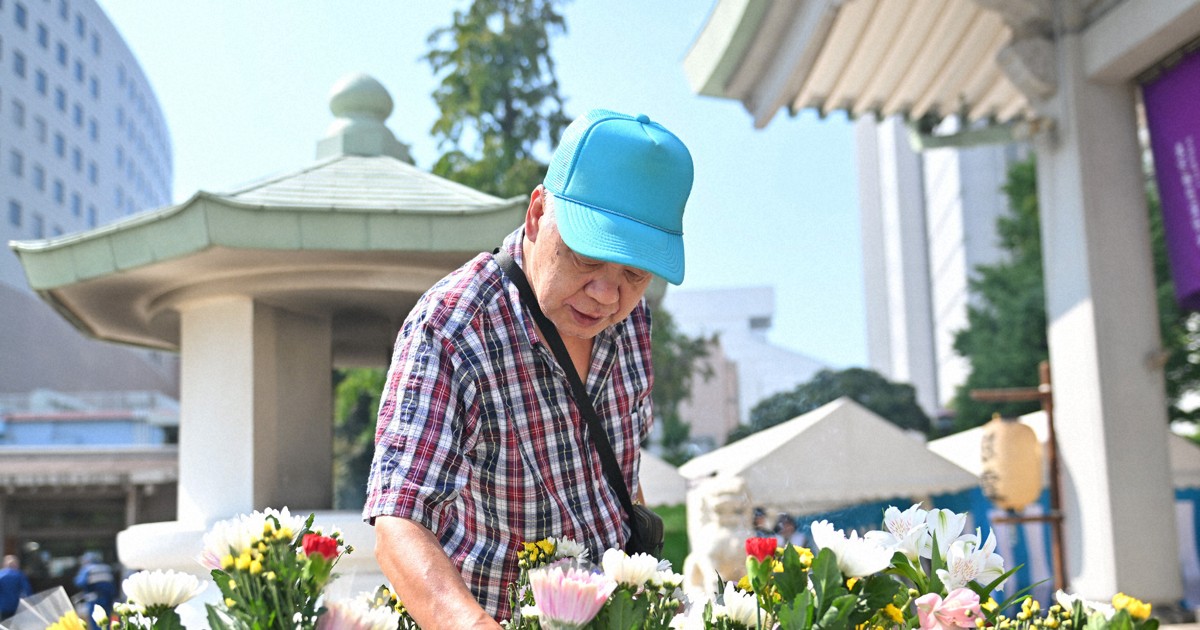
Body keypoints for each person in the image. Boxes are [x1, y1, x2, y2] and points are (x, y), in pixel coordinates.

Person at [363, 109, 693, 626]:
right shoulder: (453, 328)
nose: (607, 295)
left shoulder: (633, 322)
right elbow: (399, 523)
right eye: (587, 257)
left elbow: (621, 481)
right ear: (538, 213)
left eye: (634, 273)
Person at [73, 551, 115, 630]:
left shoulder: (88, 569)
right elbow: (112, 586)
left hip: (94, 600)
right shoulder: (106, 568)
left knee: (96, 622)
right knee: (107, 622)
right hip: (107, 599)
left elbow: (79, 582)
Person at [0, 555, 33, 619]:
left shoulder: (1, 575)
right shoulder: (19, 575)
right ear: (16, 564)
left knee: (4, 623)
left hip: (3, 605)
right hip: (16, 605)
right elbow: (27, 590)